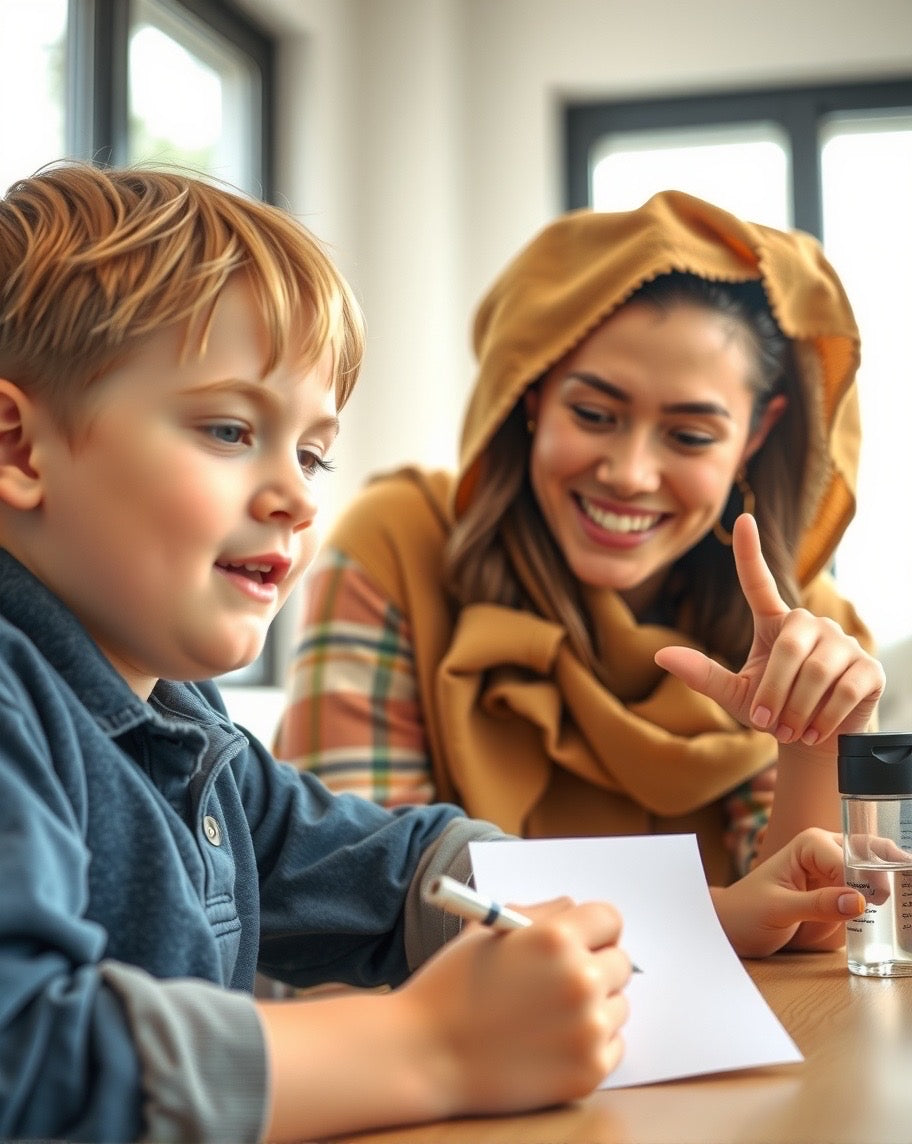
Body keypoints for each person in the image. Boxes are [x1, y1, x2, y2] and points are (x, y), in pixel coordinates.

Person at [0, 162, 872, 1144]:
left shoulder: (183, 717)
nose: (296, 495)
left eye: (312, 452)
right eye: (232, 429)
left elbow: (393, 870)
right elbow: (25, 1058)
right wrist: (433, 1043)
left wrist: (696, 917)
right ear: (19, 448)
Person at [274, 190, 884, 886]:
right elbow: (358, 891)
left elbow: (808, 921)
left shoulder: (804, 635)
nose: (628, 474)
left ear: (758, 433)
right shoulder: (397, 545)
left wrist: (813, 747)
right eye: (594, 413)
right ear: (530, 393)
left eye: (689, 436)